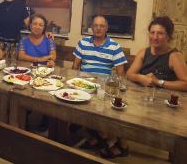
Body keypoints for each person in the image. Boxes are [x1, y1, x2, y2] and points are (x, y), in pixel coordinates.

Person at [72, 15, 128, 158]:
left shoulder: (114, 46)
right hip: (83, 84)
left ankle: (101, 138)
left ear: (106, 28)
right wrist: (74, 80)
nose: (98, 28)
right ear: (92, 27)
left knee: (105, 110)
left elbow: (120, 74)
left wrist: (114, 87)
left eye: (102, 26)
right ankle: (97, 137)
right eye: (96, 25)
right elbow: (75, 66)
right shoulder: (83, 42)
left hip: (103, 86)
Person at [127, 16, 187, 91]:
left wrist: (158, 82)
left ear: (168, 36)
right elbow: (129, 74)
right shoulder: (143, 52)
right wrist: (140, 78)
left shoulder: (174, 57)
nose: (155, 37)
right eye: (152, 33)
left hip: (165, 100)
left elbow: (185, 84)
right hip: (143, 97)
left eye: (160, 33)